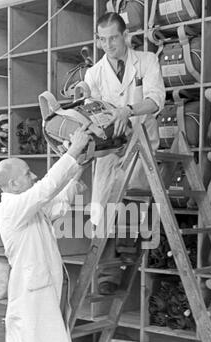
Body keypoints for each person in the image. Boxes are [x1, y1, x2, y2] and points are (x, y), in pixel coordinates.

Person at [0, 126, 91, 342]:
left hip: (47, 297)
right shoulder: (9, 208)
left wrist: (77, 169)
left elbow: (56, 201)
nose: (32, 175)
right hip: (30, 303)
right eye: (26, 173)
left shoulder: (29, 206)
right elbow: (46, 189)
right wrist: (71, 152)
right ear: (12, 183)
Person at [85, 12, 166, 295]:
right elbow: (91, 109)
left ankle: (125, 250)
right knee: (104, 202)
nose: (108, 45)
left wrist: (127, 110)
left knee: (132, 195)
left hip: (141, 138)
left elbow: (156, 99)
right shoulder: (93, 73)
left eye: (113, 38)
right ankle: (108, 270)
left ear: (125, 36)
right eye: (102, 39)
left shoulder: (146, 60)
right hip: (110, 146)